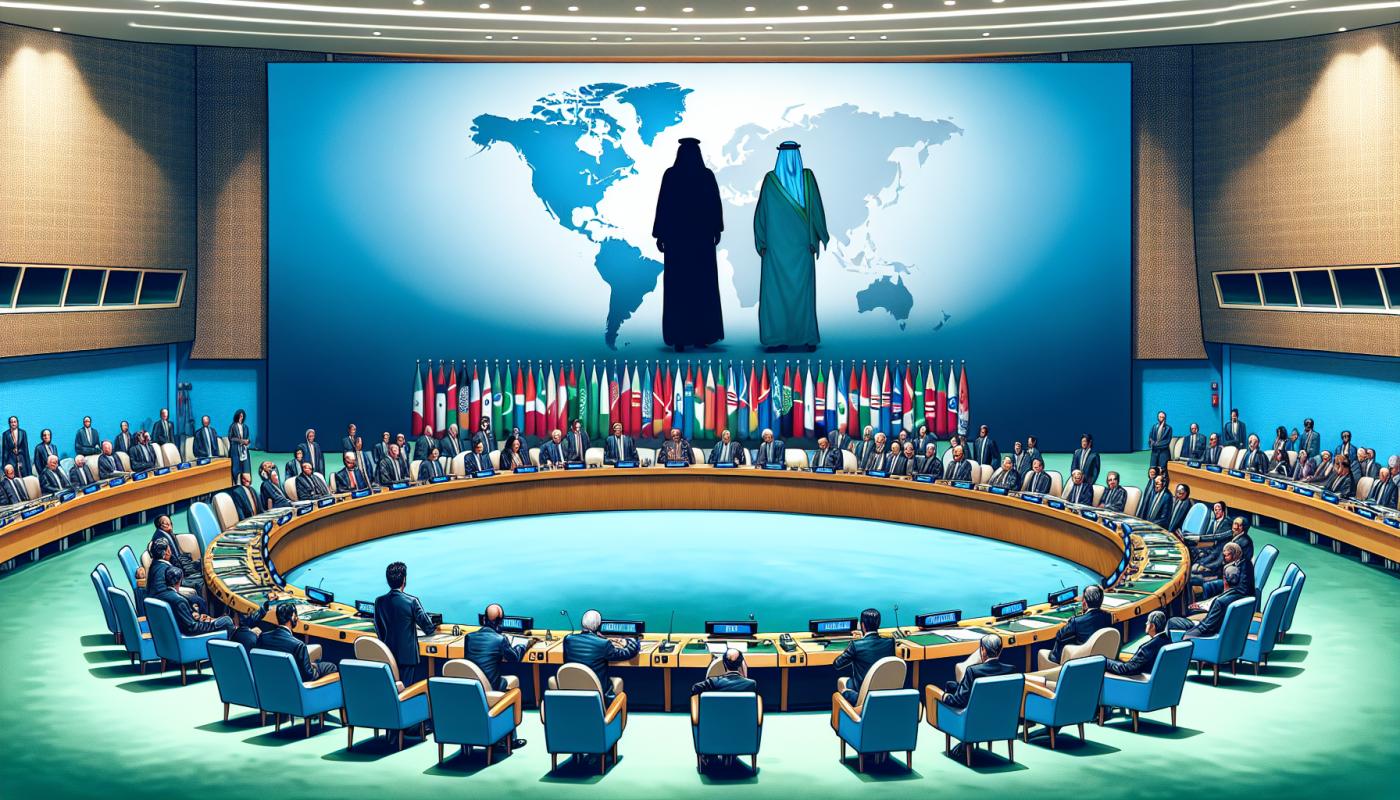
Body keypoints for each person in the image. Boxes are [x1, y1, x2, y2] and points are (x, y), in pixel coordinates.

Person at [753, 140, 828, 352]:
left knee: (793, 294)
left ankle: (802, 337)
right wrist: (763, 242)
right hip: (785, 250)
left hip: (792, 249)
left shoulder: (803, 179)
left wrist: (762, 241)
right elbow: (763, 212)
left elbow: (761, 215)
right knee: (785, 294)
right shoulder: (773, 181)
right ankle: (781, 338)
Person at [653, 136, 725, 352]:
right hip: (701, 241)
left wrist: (660, 234)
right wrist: (716, 229)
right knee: (702, 287)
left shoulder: (671, 175)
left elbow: (663, 206)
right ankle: (702, 336)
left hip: (678, 242)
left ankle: (680, 337)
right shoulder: (706, 175)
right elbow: (714, 205)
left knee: (679, 289)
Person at [464, 604, 534, 751]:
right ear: (500, 622)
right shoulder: (500, 639)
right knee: (512, 683)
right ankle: (510, 739)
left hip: (471, 686)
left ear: (484, 619)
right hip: (491, 686)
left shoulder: (469, 638)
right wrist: (525, 645)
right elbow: (514, 658)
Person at [374, 561, 436, 685]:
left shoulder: (379, 601)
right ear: (404, 580)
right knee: (406, 689)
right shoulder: (412, 601)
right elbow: (429, 628)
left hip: (388, 655)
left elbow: (379, 629)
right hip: (408, 658)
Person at [562, 609, 640, 702]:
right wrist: (631, 638)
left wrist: (599, 637)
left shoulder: (568, 640)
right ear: (599, 625)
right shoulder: (603, 644)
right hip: (599, 694)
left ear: (582, 624)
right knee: (617, 681)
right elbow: (628, 653)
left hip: (572, 693)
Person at [256, 602, 338, 680]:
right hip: (296, 682)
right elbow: (309, 676)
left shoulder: (263, 637)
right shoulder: (298, 645)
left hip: (271, 678)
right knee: (331, 666)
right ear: (293, 617)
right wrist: (314, 667)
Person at [833, 608, 896, 704]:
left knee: (841, 681)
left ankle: (854, 709)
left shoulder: (856, 645)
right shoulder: (890, 643)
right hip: (884, 694)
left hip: (863, 696)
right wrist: (863, 639)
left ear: (862, 625)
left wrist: (855, 643)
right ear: (878, 624)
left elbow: (837, 664)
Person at [1167, 565, 1247, 638]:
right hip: (1219, 629)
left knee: (1172, 621)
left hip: (1209, 634)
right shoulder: (1241, 597)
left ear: (1224, 579)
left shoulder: (1220, 602)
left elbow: (1205, 628)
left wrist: (1186, 635)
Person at [152, 568, 234, 636]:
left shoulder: (159, 596)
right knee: (226, 620)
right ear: (180, 580)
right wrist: (210, 624)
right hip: (189, 635)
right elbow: (192, 628)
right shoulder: (180, 601)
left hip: (170, 633)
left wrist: (192, 614)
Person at [1046, 585, 1111, 664]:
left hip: (1079, 662)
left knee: (1043, 652)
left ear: (1084, 603)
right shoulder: (1108, 616)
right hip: (1101, 659)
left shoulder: (1076, 621)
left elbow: (1059, 636)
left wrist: (1070, 622)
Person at [149, 514, 205, 594]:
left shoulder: (167, 534)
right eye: (165, 523)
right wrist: (188, 568)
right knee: (203, 578)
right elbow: (172, 562)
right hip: (176, 574)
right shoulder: (160, 539)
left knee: (203, 563)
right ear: (161, 525)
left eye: (169, 523)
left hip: (180, 566)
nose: (169, 525)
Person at [1106, 611, 1170, 677]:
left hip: (1143, 681)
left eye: (1148, 622)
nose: (1146, 623)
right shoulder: (1169, 641)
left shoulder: (1146, 648)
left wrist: (1105, 661)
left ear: (1152, 626)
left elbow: (1125, 669)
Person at [691, 648, 757, 696]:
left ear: (724, 663)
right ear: (740, 664)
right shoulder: (751, 684)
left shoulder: (713, 682)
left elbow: (695, 688)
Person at [227, 410, 251, 481]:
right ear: (237, 416)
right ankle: (236, 481)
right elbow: (231, 438)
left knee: (245, 467)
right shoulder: (233, 426)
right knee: (236, 468)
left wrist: (247, 441)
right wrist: (241, 441)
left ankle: (246, 481)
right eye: (240, 416)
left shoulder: (245, 427)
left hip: (244, 450)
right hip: (235, 450)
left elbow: (247, 438)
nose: (241, 417)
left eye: (242, 416)